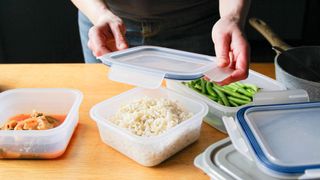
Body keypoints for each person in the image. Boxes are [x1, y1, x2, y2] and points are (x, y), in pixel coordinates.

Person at [71, 0, 251, 85]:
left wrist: (231, 17)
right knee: (105, 99)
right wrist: (99, 14)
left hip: (199, 24)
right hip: (105, 23)